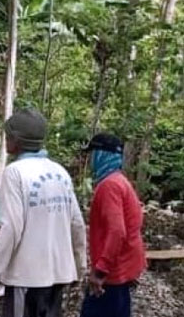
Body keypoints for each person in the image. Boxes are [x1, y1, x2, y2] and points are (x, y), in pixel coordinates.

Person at [0, 109, 86, 317]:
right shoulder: (59, 171)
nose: (6, 140)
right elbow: (77, 224)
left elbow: (11, 228)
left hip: (27, 276)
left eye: (8, 136)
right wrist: (80, 266)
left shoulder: (15, 172)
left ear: (17, 140)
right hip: (59, 275)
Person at [79, 133, 146, 317]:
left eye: (92, 153)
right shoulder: (120, 181)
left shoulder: (109, 186)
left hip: (112, 273)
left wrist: (100, 271)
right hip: (121, 268)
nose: (90, 159)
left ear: (102, 154)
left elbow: (117, 232)